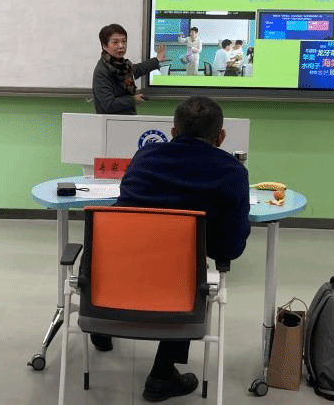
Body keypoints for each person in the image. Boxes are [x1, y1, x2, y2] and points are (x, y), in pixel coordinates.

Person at [104, 96, 250, 402]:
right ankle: (161, 374)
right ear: (221, 137)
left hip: (109, 282)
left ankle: (101, 330)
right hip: (175, 291)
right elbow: (230, 248)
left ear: (172, 132)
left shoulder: (144, 156)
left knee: (164, 261)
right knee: (191, 271)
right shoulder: (231, 171)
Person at [92, 24, 166, 114]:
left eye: (124, 41)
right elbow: (108, 104)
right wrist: (132, 100)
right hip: (111, 120)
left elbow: (137, 69)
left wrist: (157, 60)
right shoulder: (102, 71)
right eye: (115, 42)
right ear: (104, 46)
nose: (121, 46)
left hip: (127, 118)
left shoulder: (121, 65)